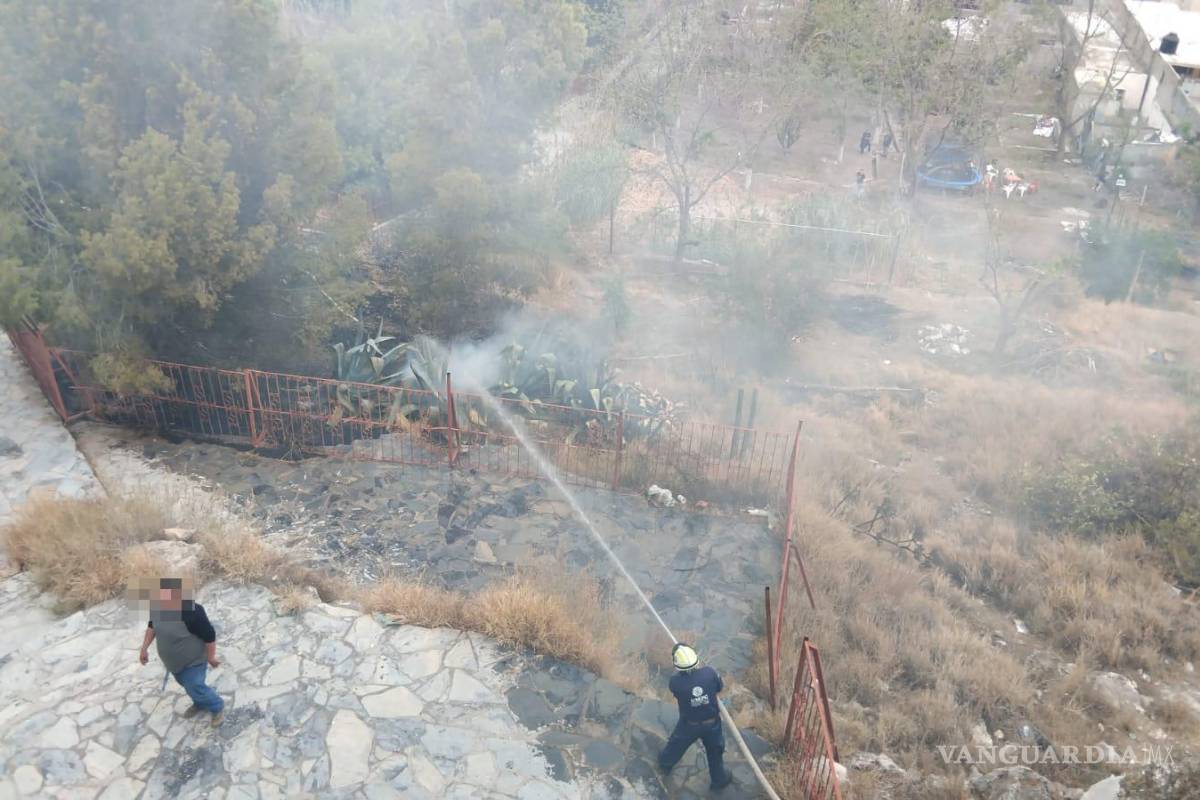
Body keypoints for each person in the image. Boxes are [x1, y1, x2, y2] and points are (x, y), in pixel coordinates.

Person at [138, 577, 225, 725]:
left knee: (195, 685)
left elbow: (210, 636)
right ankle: (200, 702)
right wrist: (144, 648)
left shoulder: (192, 612)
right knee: (188, 686)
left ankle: (217, 707)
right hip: (173, 664)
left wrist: (211, 658)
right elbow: (152, 627)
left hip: (193, 661)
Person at [658, 643, 732, 790]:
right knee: (715, 752)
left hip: (689, 724)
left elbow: (679, 690)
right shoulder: (709, 673)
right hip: (712, 724)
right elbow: (719, 687)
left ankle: (665, 764)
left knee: (676, 744)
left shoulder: (675, 683)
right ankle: (719, 780)